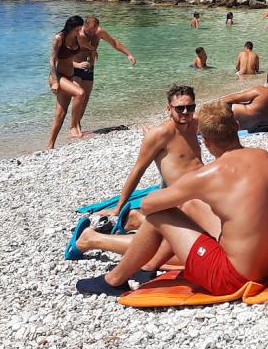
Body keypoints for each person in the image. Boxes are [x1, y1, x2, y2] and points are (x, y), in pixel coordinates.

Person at [76, 102, 268, 297]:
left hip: (233, 278)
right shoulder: (263, 156)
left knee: (160, 214)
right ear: (236, 126)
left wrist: (182, 189)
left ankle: (113, 280)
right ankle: (149, 267)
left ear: (207, 141)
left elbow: (148, 205)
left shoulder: (210, 175)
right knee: (191, 204)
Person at [71, 86, 205, 259]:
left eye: (191, 107)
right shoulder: (161, 134)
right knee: (187, 246)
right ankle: (94, 238)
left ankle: (136, 219)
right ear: (168, 108)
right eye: (180, 108)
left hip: (202, 193)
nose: (186, 112)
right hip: (182, 201)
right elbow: (138, 170)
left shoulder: (194, 124)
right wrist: (118, 208)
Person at [69, 16, 136, 139]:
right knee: (79, 95)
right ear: (84, 26)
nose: (91, 33)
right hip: (75, 68)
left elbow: (114, 43)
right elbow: (65, 53)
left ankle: (77, 124)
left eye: (93, 31)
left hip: (89, 68)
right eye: (89, 30)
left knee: (85, 98)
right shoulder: (78, 34)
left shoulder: (99, 32)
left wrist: (128, 54)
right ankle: (73, 126)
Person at [47, 15, 90, 149]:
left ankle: (50, 146)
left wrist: (79, 64)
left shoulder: (77, 38)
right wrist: (54, 81)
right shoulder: (58, 39)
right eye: (77, 30)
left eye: (80, 29)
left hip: (69, 76)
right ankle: (73, 127)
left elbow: (69, 59)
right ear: (70, 28)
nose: (79, 32)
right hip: (58, 77)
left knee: (60, 114)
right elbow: (52, 61)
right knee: (80, 93)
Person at [221, 66, 268, 131]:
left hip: (233, 116)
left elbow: (232, 98)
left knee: (226, 104)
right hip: (252, 126)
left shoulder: (260, 91)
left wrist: (219, 101)